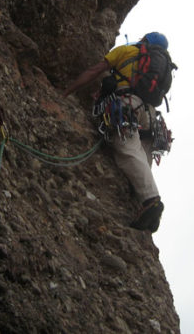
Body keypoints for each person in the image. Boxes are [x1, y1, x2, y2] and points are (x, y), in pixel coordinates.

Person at [63, 32, 171, 232]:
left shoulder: (126, 51)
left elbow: (95, 70)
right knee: (142, 154)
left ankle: (151, 201)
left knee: (127, 149)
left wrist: (67, 91)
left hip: (128, 105)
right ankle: (144, 204)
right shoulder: (160, 67)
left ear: (144, 41)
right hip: (151, 117)